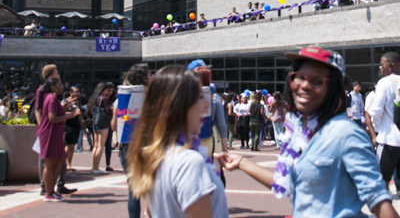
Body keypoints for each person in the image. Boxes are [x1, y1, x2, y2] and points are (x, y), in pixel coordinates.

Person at [216, 46, 396, 218]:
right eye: (299, 77)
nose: (304, 85)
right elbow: (289, 184)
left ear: (333, 89)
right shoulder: (305, 132)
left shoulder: (346, 134)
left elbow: (379, 203)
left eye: (317, 81)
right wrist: (242, 162)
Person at [127, 65, 228, 218]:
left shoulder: (157, 154)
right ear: (180, 105)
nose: (207, 105)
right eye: (201, 96)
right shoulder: (189, 163)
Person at [111, 64, 151, 218]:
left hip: (126, 146)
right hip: (146, 145)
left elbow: (114, 125)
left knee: (133, 190)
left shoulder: (122, 97)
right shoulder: (150, 97)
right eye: (149, 74)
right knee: (151, 187)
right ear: (144, 78)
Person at [35, 64, 77, 196]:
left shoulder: (52, 96)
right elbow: (42, 112)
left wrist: (64, 106)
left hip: (55, 131)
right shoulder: (44, 93)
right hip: (48, 132)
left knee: (59, 160)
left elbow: (55, 113)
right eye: (57, 73)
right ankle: (47, 189)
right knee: (48, 161)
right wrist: (43, 125)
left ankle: (55, 188)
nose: (59, 75)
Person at [368, 51, 400, 188]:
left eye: (382, 64)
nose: (380, 67)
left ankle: (383, 208)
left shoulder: (384, 82)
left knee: (381, 180)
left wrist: (379, 128)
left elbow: (375, 111)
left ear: (391, 65)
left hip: (390, 139)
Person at [87, 81, 114, 173]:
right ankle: (96, 168)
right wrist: (113, 109)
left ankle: (93, 167)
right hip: (103, 123)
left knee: (96, 146)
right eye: (108, 90)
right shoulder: (104, 99)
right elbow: (108, 111)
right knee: (100, 146)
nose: (110, 92)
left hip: (95, 123)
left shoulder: (96, 98)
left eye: (111, 90)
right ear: (102, 90)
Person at [63, 87, 83, 171]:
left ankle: (69, 164)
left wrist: (81, 121)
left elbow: (80, 113)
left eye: (78, 92)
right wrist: (72, 114)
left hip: (76, 125)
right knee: (67, 145)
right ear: (70, 92)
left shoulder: (78, 102)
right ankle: (64, 164)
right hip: (68, 125)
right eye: (76, 92)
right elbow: (61, 112)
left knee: (72, 146)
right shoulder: (65, 101)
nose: (77, 94)